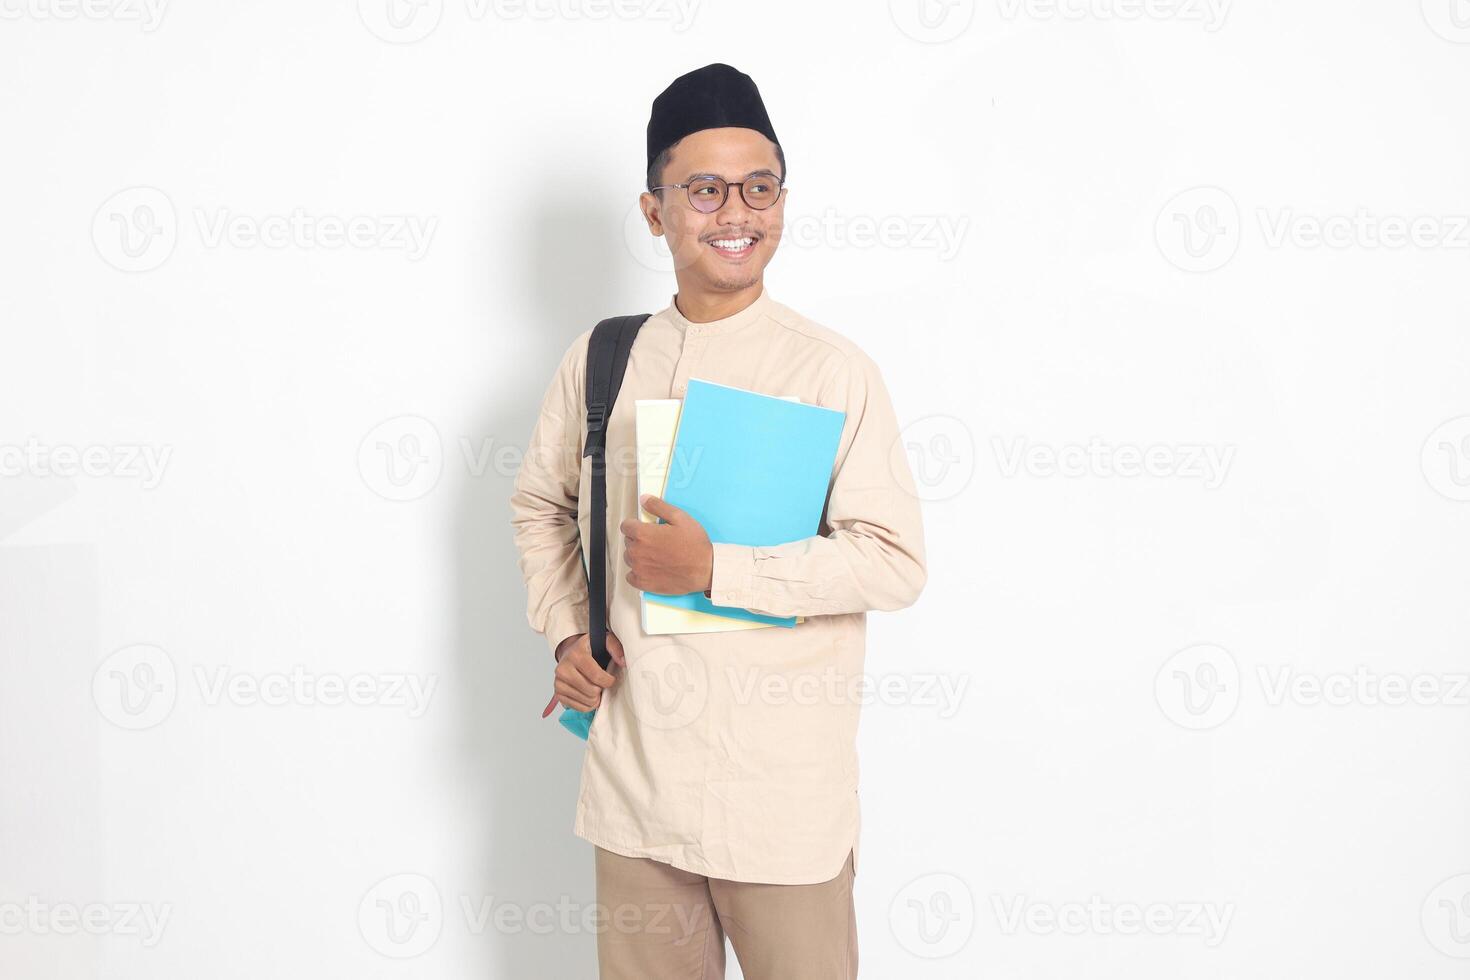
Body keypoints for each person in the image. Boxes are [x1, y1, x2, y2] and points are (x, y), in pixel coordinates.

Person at [509, 62, 927, 980]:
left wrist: (718, 572)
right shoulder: (606, 358)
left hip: (780, 805)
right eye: (703, 190)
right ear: (656, 210)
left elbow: (893, 562)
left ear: (782, 199)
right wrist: (565, 632)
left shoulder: (833, 372)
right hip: (636, 790)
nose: (735, 212)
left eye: (760, 187)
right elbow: (542, 505)